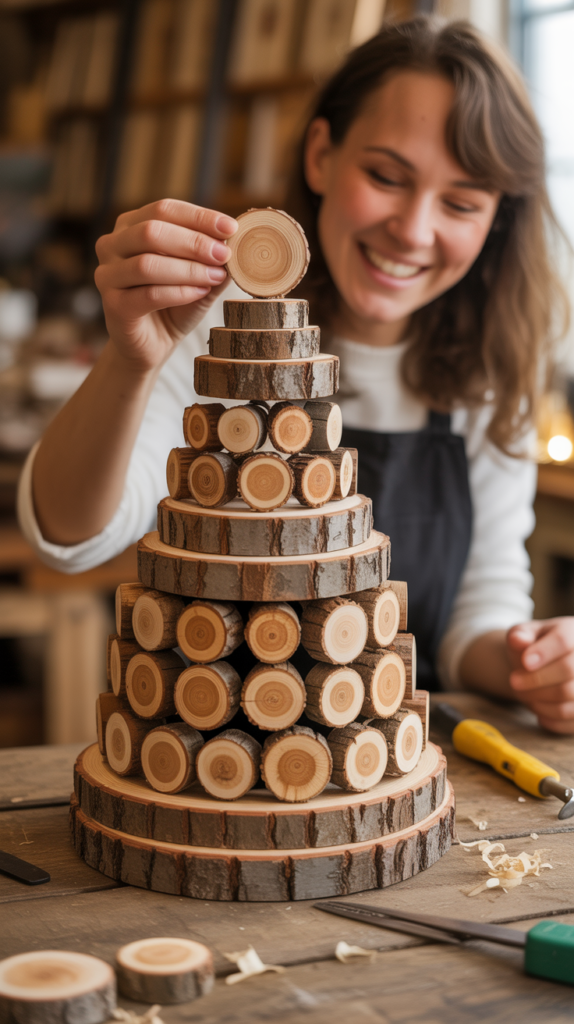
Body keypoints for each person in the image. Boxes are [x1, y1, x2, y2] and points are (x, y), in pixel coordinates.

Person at [18, 16, 574, 733]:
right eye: (385, 176)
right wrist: (131, 360)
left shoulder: (494, 370)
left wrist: (537, 666)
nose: (413, 229)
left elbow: (476, 618)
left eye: (461, 203)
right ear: (321, 154)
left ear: (496, 219)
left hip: (399, 762)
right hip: (215, 751)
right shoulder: (212, 324)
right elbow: (71, 537)